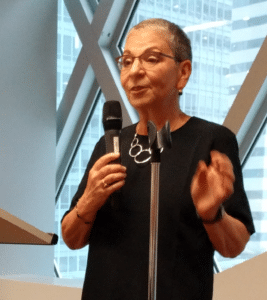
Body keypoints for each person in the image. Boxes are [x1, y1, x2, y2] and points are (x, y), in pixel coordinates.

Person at [61, 18, 255, 300]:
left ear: (183, 72)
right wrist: (88, 202)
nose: (134, 71)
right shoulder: (110, 144)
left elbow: (233, 246)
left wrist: (212, 213)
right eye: (127, 61)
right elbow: (71, 238)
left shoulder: (212, 140)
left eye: (151, 59)